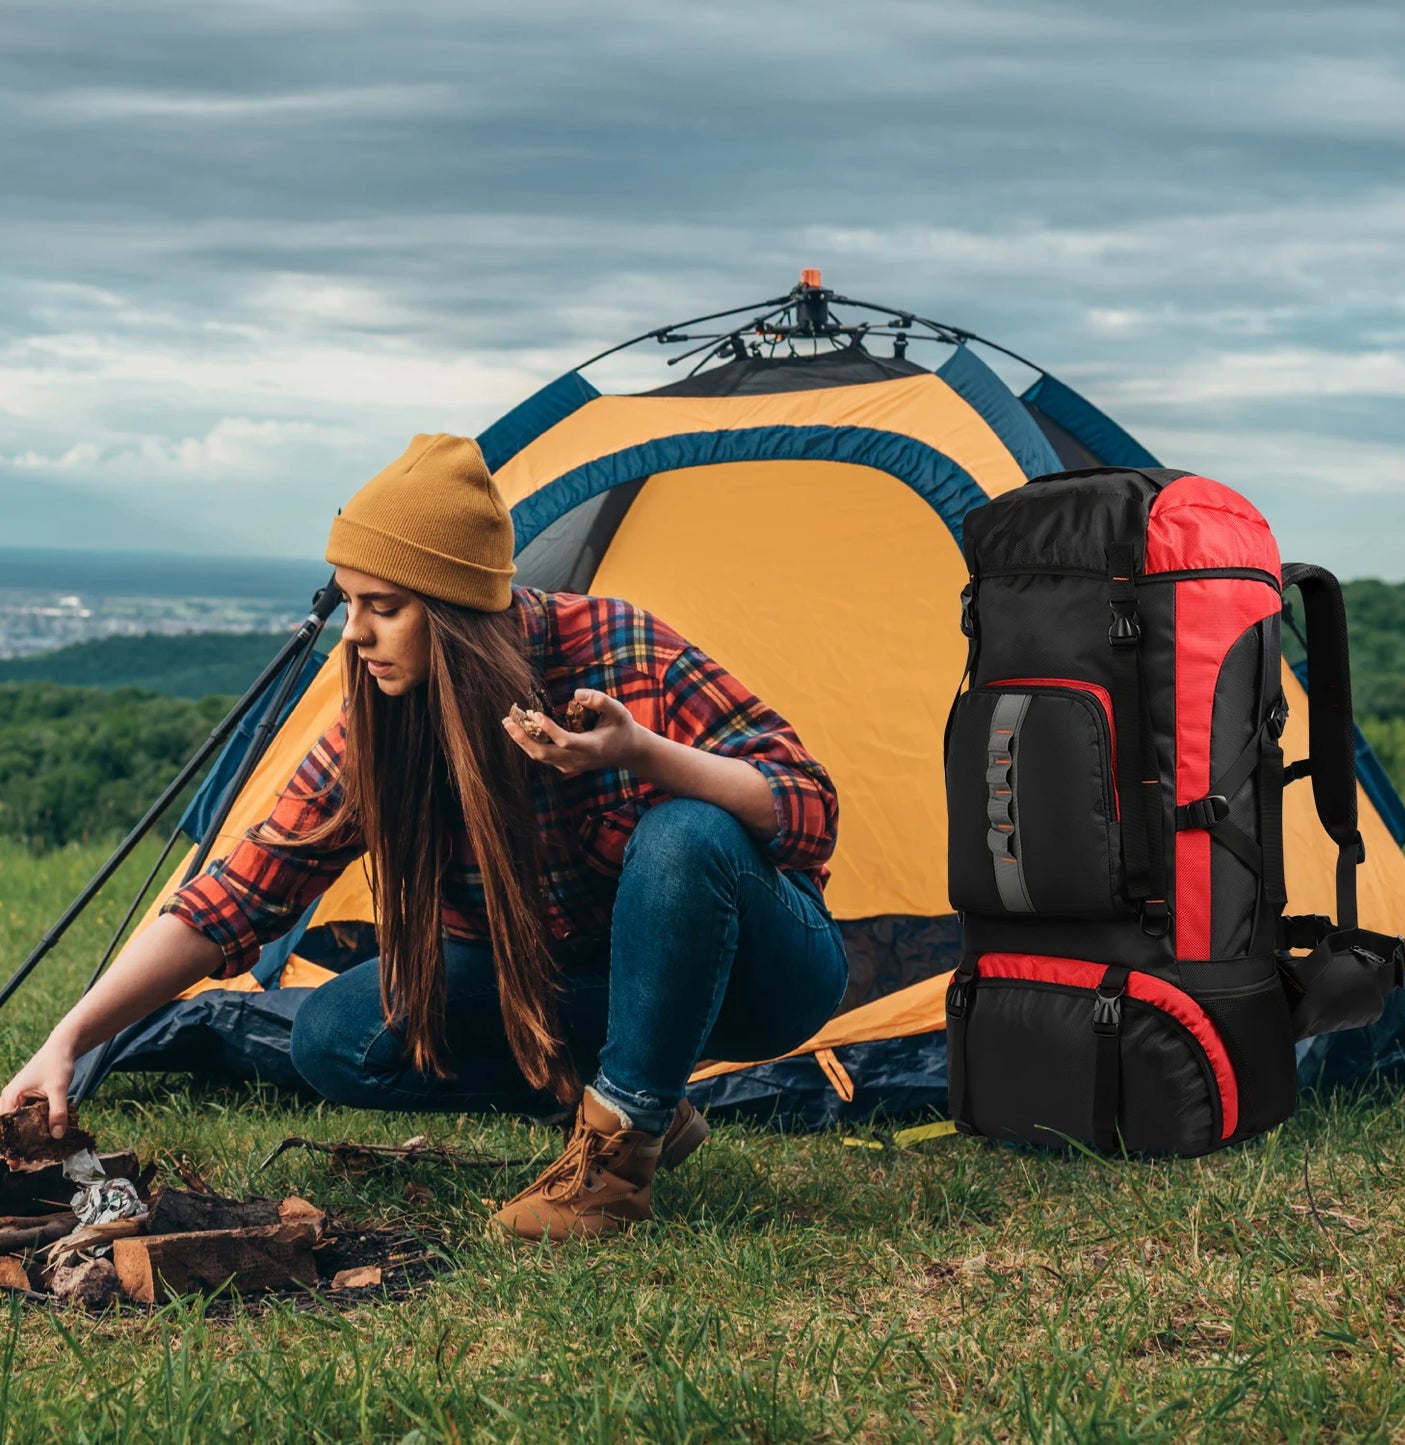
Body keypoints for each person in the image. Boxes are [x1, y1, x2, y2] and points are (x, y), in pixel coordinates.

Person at [0, 434, 848, 1242]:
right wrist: (69, 1038)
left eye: (383, 606)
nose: (355, 632)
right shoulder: (380, 723)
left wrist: (641, 753)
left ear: (457, 612)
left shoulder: (615, 649)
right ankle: (638, 1094)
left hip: (759, 978)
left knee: (684, 833)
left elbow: (809, 806)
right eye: (347, 602)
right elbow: (238, 894)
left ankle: (617, 1162)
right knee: (336, 1034)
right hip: (569, 985)